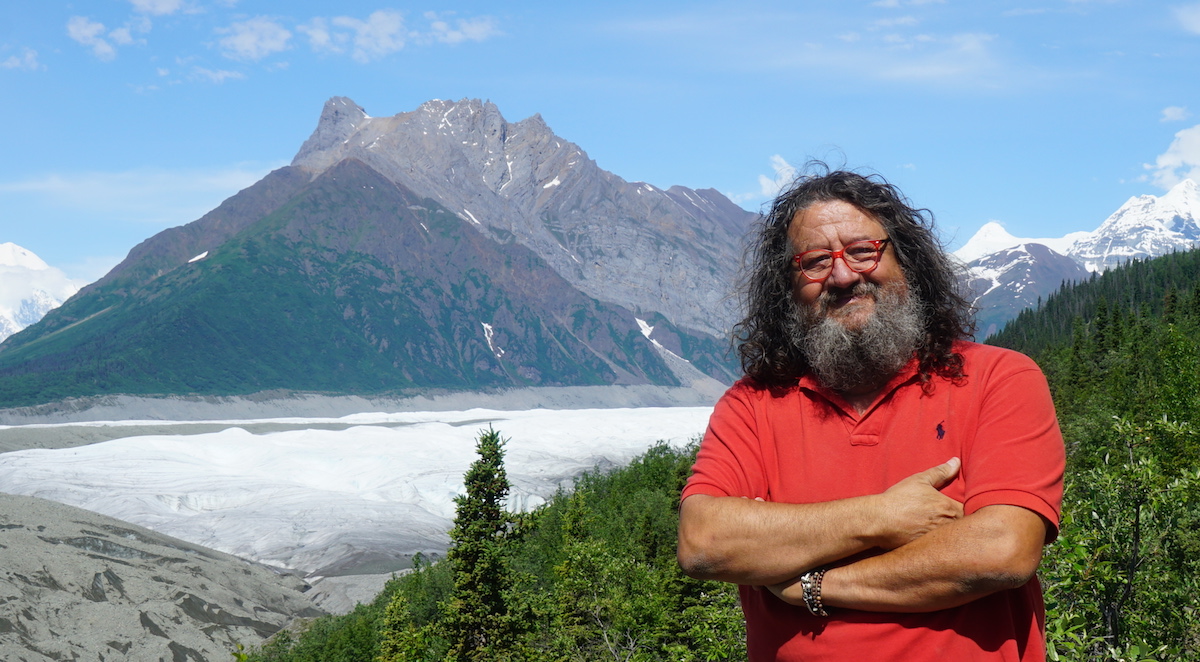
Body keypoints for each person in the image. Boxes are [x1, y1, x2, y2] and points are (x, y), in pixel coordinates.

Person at [677, 166, 1065, 661]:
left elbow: (1003, 550)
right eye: (815, 262)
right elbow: (704, 540)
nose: (842, 276)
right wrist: (883, 516)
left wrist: (814, 583)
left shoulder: (998, 378)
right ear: (788, 288)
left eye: (863, 251)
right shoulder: (751, 405)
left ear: (908, 261)